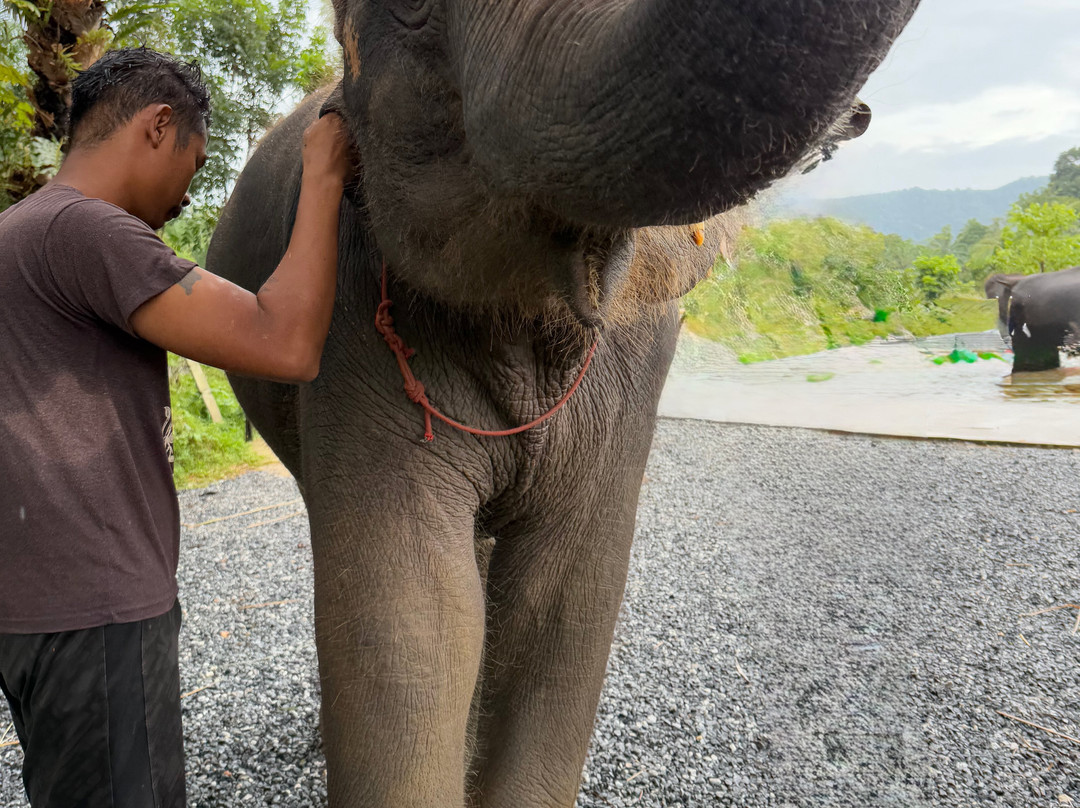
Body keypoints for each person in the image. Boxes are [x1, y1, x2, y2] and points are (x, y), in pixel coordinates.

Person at [0, 47, 350, 807]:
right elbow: (284, 342)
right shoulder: (86, 232)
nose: (185, 202)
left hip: (34, 617)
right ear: (159, 126)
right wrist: (322, 172)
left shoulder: (18, 233)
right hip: (97, 616)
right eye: (192, 170)